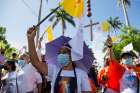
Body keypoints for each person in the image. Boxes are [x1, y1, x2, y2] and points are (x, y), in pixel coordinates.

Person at [27, 27, 92, 93]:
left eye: (64, 52)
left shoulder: (81, 73)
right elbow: (35, 62)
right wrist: (30, 40)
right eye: (59, 53)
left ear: (72, 56)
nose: (61, 55)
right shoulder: (55, 70)